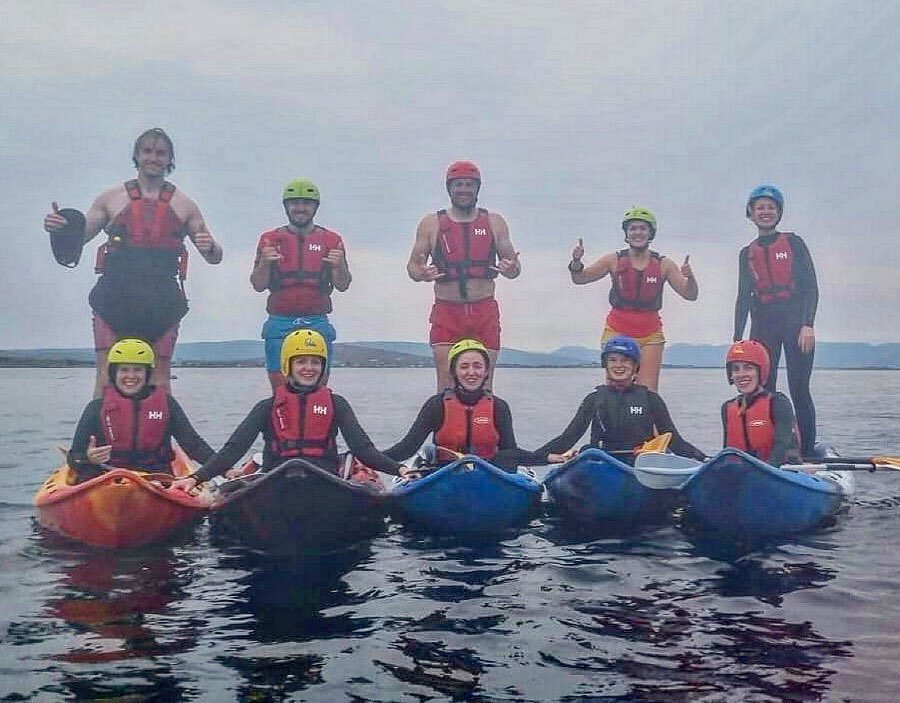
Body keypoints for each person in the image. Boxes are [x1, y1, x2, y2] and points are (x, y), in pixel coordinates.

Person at [42, 128, 223, 398]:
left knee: (160, 378)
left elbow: (214, 256)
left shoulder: (185, 205)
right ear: (137, 156)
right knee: (106, 375)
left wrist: (211, 247)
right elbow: (78, 240)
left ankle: (160, 437)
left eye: (160, 153)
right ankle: (97, 437)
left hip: (161, 302)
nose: (153, 157)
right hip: (114, 299)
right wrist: (59, 228)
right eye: (147, 151)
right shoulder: (110, 198)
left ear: (169, 159)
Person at [172, 329, 406, 492]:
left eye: (315, 362)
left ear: (323, 367)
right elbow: (234, 449)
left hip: (324, 481)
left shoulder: (337, 404)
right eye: (301, 361)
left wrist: (399, 469)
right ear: (288, 365)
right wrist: (196, 478)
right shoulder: (266, 407)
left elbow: (363, 449)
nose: (309, 368)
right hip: (276, 479)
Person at [407, 161, 521, 390]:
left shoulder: (494, 222)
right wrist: (420, 273)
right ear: (450, 188)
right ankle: (445, 424)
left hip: (484, 311)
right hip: (448, 311)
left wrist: (511, 269)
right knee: (446, 385)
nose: (464, 190)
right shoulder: (431, 224)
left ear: (477, 188)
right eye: (458, 185)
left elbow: (514, 269)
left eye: (469, 185)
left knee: (485, 384)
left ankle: (485, 424)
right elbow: (412, 267)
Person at [382, 338, 568, 471]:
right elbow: (407, 447)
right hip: (445, 472)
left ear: (486, 371)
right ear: (454, 371)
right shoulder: (436, 405)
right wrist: (371, 459)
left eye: (478, 366)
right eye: (464, 366)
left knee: (506, 456)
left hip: (489, 471)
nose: (471, 372)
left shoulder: (499, 407)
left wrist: (546, 458)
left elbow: (510, 452)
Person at [567, 207, 698, 392]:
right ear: (626, 234)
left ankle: (648, 421)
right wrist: (576, 262)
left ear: (650, 233)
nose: (638, 233)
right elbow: (580, 278)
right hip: (617, 331)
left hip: (650, 335)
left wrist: (690, 277)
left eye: (643, 229)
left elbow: (690, 294)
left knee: (648, 393)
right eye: (633, 229)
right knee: (615, 388)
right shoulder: (613, 260)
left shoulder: (664, 264)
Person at [734, 184, 818, 455]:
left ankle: (804, 451)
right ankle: (767, 449)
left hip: (795, 323)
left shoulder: (794, 243)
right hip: (764, 324)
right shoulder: (746, 253)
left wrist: (808, 325)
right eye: (760, 207)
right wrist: (737, 340)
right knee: (763, 390)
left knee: (799, 389)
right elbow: (743, 298)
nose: (766, 212)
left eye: (771, 207)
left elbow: (811, 288)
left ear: (779, 212)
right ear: (751, 213)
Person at [534, 336, 706, 463]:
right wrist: (536, 457)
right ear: (606, 365)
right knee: (587, 453)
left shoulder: (651, 399)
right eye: (613, 360)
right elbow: (568, 438)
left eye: (625, 360)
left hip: (638, 464)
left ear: (635, 367)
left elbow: (674, 441)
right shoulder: (593, 399)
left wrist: (703, 459)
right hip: (602, 463)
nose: (618, 365)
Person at [67, 338, 215, 483]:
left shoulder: (167, 404)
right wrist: (88, 458)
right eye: (124, 370)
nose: (130, 376)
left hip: (155, 477)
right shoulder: (96, 408)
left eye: (137, 370)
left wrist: (224, 469)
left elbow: (194, 445)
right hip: (107, 476)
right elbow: (74, 457)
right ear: (114, 373)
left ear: (147, 374)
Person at [251, 179, 351, 390]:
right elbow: (258, 285)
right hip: (280, 321)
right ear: (286, 206)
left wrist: (339, 265)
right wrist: (264, 263)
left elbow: (343, 285)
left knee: (318, 388)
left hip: (316, 320)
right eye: (294, 203)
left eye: (306, 203)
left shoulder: (332, 240)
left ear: (315, 207)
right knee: (280, 390)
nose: (300, 208)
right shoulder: (269, 239)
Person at [721, 339, 801, 467]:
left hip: (780, 473)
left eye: (748, 368)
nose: (741, 374)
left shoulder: (778, 403)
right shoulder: (727, 408)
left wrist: (763, 470)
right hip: (743, 475)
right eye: (736, 369)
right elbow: (727, 453)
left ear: (760, 371)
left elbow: (782, 447)